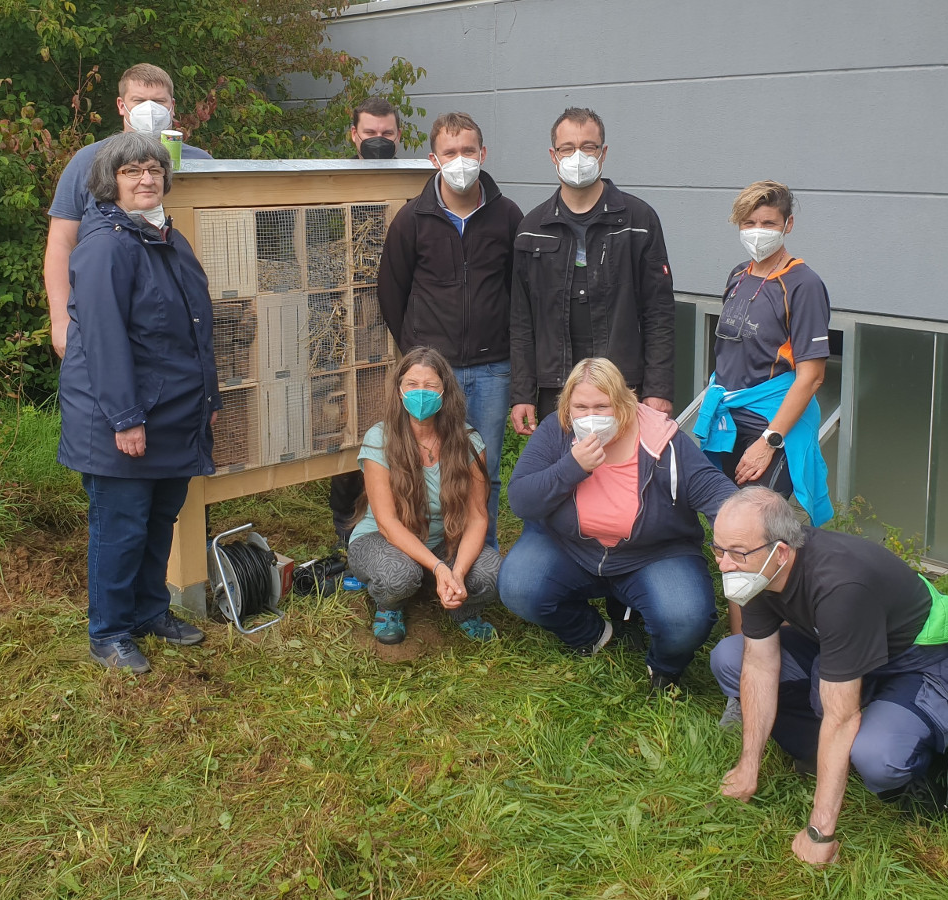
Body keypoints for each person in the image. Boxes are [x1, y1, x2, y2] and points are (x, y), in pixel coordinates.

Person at [710, 487, 948, 865]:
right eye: (718, 550)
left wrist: (820, 833)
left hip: (917, 661)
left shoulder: (840, 588)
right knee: (730, 657)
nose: (724, 565)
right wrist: (748, 765)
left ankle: (912, 769)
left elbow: (841, 715)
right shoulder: (760, 572)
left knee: (876, 755)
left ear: (780, 552)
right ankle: (824, 753)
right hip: (850, 642)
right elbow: (759, 664)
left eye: (736, 553)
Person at [57, 132, 221, 674]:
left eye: (153, 169)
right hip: (120, 417)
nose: (146, 179)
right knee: (121, 525)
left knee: (158, 520)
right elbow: (103, 341)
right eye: (133, 173)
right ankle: (109, 633)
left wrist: (209, 397)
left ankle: (152, 613)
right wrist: (125, 419)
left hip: (173, 413)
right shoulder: (105, 244)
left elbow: (198, 327)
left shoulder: (168, 237)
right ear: (111, 183)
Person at [499, 358, 736, 693]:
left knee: (686, 618)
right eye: (580, 406)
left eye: (602, 405)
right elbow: (521, 499)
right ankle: (593, 633)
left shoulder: (662, 440)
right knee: (519, 586)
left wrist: (743, 522)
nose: (590, 415)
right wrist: (572, 467)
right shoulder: (557, 430)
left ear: (625, 403)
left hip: (653, 553)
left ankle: (664, 667)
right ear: (567, 406)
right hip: (570, 547)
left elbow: (712, 489)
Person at [691, 181, 835, 728]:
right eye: (749, 222)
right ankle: (741, 665)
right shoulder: (738, 277)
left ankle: (767, 670)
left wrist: (768, 439)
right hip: (727, 422)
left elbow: (813, 375)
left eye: (768, 221)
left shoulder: (803, 284)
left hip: (767, 430)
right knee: (729, 543)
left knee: (755, 548)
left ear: (788, 224)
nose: (758, 232)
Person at [377, 112, 522, 550]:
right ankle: (425, 553)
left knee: (485, 468)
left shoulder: (508, 216)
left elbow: (519, 290)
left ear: (483, 153)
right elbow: (392, 290)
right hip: (432, 376)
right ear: (433, 158)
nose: (460, 160)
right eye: (450, 152)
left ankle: (481, 558)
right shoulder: (412, 219)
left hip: (492, 369)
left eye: (468, 151)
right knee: (424, 464)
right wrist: (416, 357)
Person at [510, 107, 676, 434]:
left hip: (623, 384)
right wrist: (522, 393)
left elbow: (659, 312)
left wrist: (658, 389)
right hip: (554, 388)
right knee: (563, 475)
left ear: (603, 153)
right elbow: (521, 320)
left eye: (588, 147)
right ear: (553, 156)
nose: (578, 156)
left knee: (625, 475)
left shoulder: (639, 221)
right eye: (567, 148)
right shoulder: (531, 229)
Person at [45, 63, 213, 359]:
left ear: (172, 107)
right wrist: (60, 321)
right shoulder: (87, 161)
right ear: (122, 106)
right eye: (139, 101)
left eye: (159, 102)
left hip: (187, 315)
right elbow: (61, 242)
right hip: (111, 313)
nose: (150, 109)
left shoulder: (202, 163)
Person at [346, 347, 500, 645]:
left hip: (443, 541)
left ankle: (461, 605)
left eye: (430, 386)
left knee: (492, 573)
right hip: (381, 539)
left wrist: (457, 571)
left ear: (445, 392)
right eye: (412, 384)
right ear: (399, 390)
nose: (421, 393)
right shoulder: (380, 438)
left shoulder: (469, 442)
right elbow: (387, 524)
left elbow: (478, 518)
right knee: (398, 575)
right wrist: (439, 566)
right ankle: (389, 606)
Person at [329, 98, 406, 550]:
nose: (380, 140)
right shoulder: (335, 183)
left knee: (395, 420)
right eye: (371, 132)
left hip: (402, 323)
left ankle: (398, 518)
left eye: (388, 134)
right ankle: (347, 521)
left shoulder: (413, 181)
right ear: (354, 135)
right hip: (347, 319)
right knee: (350, 420)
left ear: (399, 137)